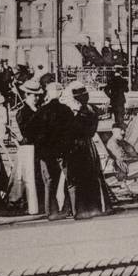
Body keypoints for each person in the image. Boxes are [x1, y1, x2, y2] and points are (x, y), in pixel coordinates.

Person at [60, 82, 113, 219]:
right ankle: (96, 205)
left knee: (76, 177)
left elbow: (72, 129)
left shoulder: (76, 111)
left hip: (77, 146)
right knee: (92, 176)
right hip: (88, 146)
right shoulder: (91, 109)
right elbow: (91, 129)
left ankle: (77, 207)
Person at [8, 79, 46, 214]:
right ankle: (24, 204)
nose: (36, 98)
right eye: (32, 95)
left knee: (39, 175)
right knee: (26, 176)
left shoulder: (39, 109)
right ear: (26, 95)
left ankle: (40, 202)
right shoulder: (23, 112)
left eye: (37, 95)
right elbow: (27, 131)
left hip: (39, 147)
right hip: (28, 148)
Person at [35, 81, 72, 217]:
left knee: (50, 181)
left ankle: (52, 211)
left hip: (46, 151)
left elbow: (30, 130)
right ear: (61, 93)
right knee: (69, 180)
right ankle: (70, 208)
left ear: (48, 94)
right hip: (63, 149)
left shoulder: (42, 111)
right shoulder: (66, 110)